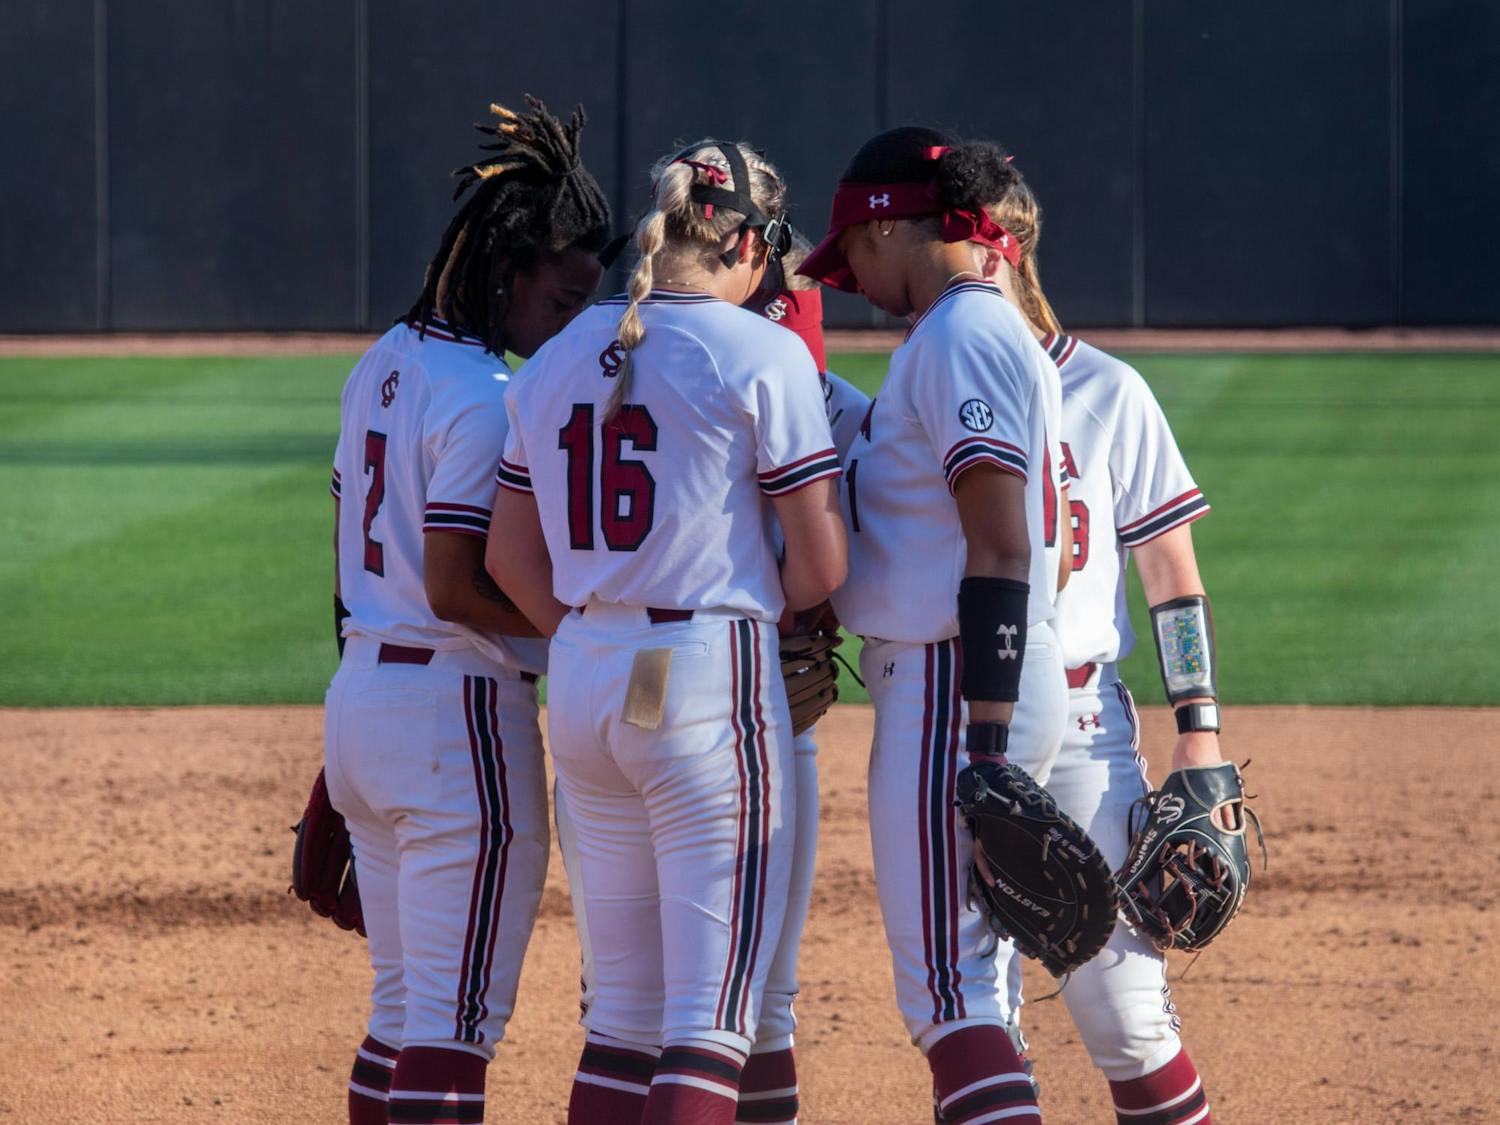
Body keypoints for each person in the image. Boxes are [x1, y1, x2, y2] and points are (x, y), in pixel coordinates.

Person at [484, 139, 847, 1125]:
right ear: (741, 239)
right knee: (710, 1018)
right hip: (704, 675)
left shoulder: (556, 357)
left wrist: (601, 628)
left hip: (588, 676)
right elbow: (820, 570)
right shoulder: (763, 352)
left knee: (624, 1021)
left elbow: (509, 560)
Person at [323, 97, 610, 1125]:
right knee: (453, 1035)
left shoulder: (381, 363)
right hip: (455, 726)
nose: (575, 321)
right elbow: (455, 584)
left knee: (402, 1014)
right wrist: (584, 643)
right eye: (565, 295)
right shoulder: (488, 394)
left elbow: (355, 571)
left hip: (362, 699)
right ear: (507, 270)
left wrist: (341, 760)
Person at [797, 127, 1072, 1124]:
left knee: (948, 991)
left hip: (959, 682)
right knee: (982, 986)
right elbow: (907, 463)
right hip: (976, 673)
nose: (852, 280)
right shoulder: (967, 331)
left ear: (888, 229)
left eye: (852, 256)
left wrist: (986, 750)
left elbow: (1000, 544)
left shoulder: (960, 333)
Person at [984, 158, 1220, 1125]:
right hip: (961, 723)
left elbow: (1172, 575)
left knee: (1129, 1021)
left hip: (1084, 728)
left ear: (1010, 250)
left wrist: (1198, 729)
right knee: (975, 1016)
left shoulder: (1111, 391)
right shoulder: (922, 389)